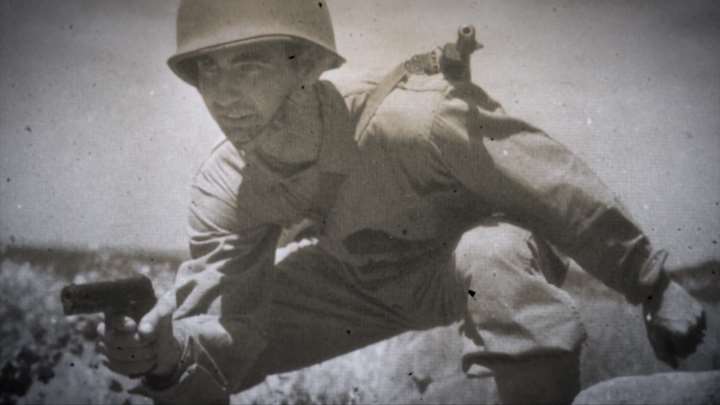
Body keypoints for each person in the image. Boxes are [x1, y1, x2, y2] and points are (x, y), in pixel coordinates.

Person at [96, 1, 706, 403]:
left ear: (308, 64)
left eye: (248, 67)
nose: (223, 95)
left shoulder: (415, 119)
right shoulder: (226, 187)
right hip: (359, 284)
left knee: (489, 251)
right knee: (216, 339)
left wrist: (652, 286)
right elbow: (229, 323)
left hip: (463, 265)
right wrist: (166, 358)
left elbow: (549, 182)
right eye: (207, 72)